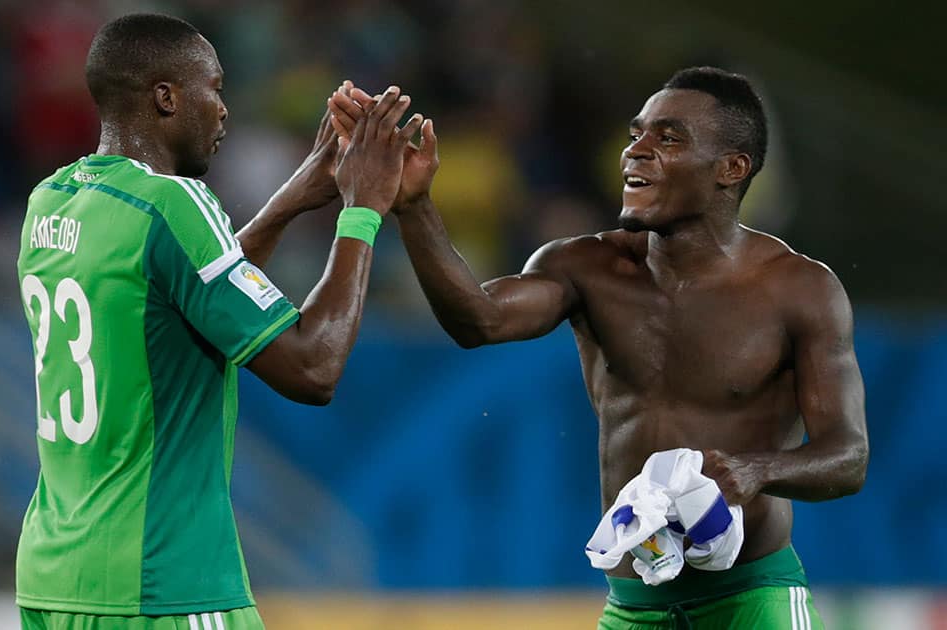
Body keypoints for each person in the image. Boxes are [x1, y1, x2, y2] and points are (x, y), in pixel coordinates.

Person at [329, 67, 868, 628]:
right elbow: (479, 322)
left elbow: (847, 459)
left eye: (669, 138)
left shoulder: (800, 289)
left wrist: (749, 472)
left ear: (731, 169)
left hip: (753, 599)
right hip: (632, 607)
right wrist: (416, 207)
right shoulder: (585, 266)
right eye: (637, 134)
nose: (635, 152)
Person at [15, 13, 421, 630]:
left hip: (54, 581)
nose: (225, 109)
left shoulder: (51, 200)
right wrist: (363, 206)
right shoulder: (173, 202)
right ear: (166, 98)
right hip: (162, 583)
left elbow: (187, 291)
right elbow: (313, 367)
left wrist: (291, 199)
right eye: (216, 87)